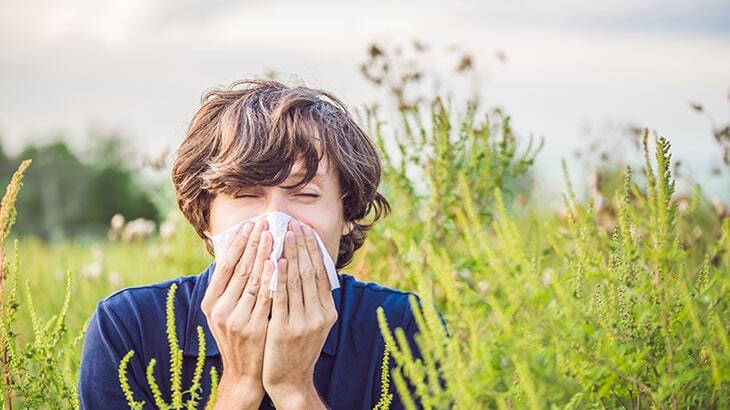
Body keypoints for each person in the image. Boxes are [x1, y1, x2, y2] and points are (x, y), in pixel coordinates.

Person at [78, 79, 446, 409]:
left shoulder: (404, 329)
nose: (275, 223)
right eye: (246, 194)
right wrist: (239, 386)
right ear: (206, 217)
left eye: (304, 194)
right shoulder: (129, 329)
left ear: (347, 213)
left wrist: (295, 390)